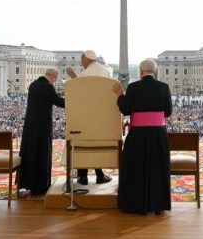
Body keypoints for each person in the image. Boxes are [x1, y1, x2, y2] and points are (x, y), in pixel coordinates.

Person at [113, 58, 172, 215]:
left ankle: (135, 204)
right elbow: (168, 112)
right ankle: (158, 204)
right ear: (155, 71)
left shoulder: (133, 87)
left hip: (138, 134)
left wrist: (120, 94)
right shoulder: (164, 87)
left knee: (135, 166)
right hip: (158, 134)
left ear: (140, 71)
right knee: (157, 167)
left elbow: (125, 110)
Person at [65, 50, 112, 185]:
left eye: (82, 59)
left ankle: (83, 176)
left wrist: (74, 77)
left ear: (87, 59)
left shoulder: (85, 73)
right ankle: (99, 175)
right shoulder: (105, 70)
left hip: (85, 115)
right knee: (96, 144)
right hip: (101, 116)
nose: (81, 62)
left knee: (83, 144)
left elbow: (82, 91)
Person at [18, 69, 65, 196]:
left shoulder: (33, 85)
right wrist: (73, 100)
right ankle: (40, 186)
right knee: (41, 153)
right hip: (42, 126)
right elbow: (59, 102)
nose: (55, 82)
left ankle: (28, 183)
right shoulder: (48, 87)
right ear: (52, 76)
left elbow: (47, 98)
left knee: (31, 152)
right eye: (55, 79)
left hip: (30, 125)